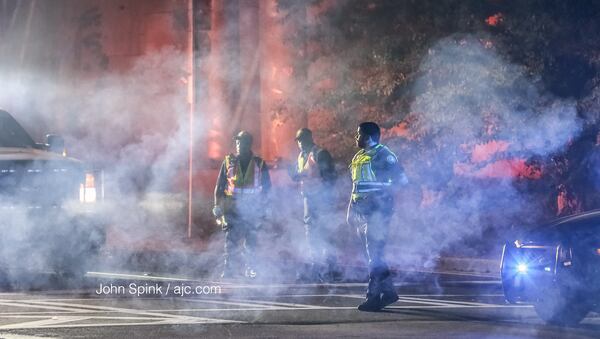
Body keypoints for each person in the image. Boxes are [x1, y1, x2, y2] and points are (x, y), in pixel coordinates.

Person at [346, 122, 408, 311]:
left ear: (368, 136)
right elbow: (356, 186)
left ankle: (373, 297)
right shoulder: (359, 156)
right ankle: (389, 293)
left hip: (378, 211)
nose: (356, 137)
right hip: (361, 210)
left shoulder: (384, 155)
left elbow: (402, 181)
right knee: (372, 255)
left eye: (359, 134)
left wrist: (381, 196)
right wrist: (350, 210)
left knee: (374, 254)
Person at [213, 131, 271, 279]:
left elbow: (267, 188)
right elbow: (220, 186)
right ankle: (229, 270)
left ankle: (251, 269)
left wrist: (265, 208)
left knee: (251, 240)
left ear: (249, 144)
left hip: (252, 208)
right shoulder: (228, 162)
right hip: (232, 207)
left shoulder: (260, 163)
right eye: (238, 142)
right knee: (231, 240)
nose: (239, 145)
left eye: (243, 142)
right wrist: (217, 206)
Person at [289, 128, 337, 282]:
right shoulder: (301, 156)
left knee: (324, 232)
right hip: (308, 200)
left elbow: (331, 176)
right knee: (311, 232)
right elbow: (300, 176)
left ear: (310, 138)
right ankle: (317, 268)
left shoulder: (319, 153)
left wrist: (326, 196)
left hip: (321, 199)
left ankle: (329, 268)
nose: (300, 143)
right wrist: (291, 172)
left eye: (303, 140)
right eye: (299, 141)